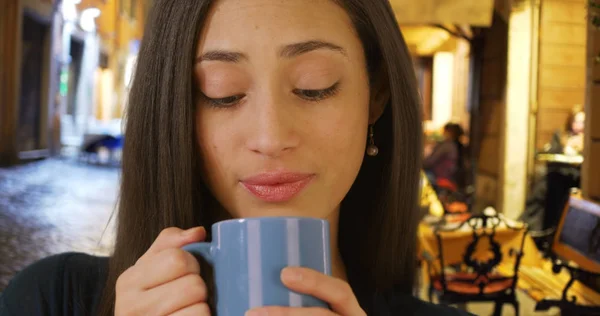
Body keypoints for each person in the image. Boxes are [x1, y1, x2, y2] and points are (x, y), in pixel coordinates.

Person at [0, 1, 471, 315]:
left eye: (314, 86)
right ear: (175, 107)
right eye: (221, 93)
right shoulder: (52, 298)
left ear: (377, 95)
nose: (270, 137)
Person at [423, 123, 465, 187]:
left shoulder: (447, 145)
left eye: (445, 131)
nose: (443, 133)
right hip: (447, 176)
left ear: (450, 132)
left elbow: (430, 161)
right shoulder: (455, 146)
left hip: (439, 176)